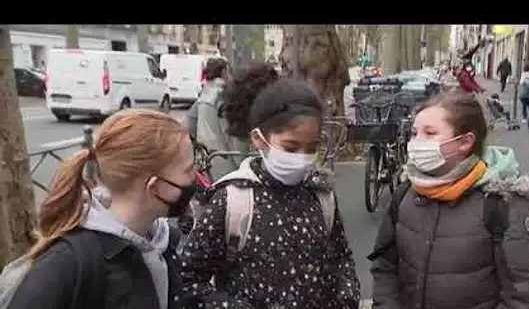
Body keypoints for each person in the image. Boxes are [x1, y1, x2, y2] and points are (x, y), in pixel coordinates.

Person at [180, 80, 361, 309]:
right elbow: (189, 281)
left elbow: (341, 258)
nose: (302, 157)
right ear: (258, 139)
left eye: (311, 148)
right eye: (291, 148)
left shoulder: (322, 197)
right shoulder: (232, 201)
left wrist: (346, 300)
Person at [370, 91, 529, 309]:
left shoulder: (502, 203)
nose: (416, 143)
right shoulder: (405, 195)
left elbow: (523, 294)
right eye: (414, 133)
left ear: (465, 142)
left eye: (430, 133)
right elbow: (385, 266)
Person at [7, 109, 197, 309]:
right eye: (188, 170)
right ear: (154, 186)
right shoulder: (65, 266)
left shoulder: (160, 243)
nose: (196, 178)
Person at [185, 60, 279, 180]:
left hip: (209, 168)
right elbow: (240, 155)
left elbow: (188, 126)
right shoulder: (233, 107)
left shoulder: (205, 95)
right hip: (232, 177)